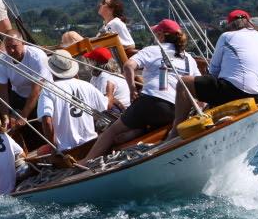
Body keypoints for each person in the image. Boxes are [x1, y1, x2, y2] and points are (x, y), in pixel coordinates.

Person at [84, 19, 199, 161]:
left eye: (156, 33)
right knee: (148, 122)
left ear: (161, 35)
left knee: (112, 131)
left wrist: (132, 88)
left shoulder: (151, 50)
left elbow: (128, 66)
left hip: (151, 101)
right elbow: (196, 85)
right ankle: (137, 133)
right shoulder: (190, 59)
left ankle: (86, 161)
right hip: (175, 110)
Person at [169, 10, 258, 136]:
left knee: (184, 82)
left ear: (230, 25)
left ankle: (175, 132)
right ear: (249, 22)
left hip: (232, 91)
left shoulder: (226, 36)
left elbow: (213, 70)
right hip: (257, 97)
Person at [37, 49, 108, 152]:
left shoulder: (48, 89)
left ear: (51, 69)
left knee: (40, 152)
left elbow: (47, 121)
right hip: (92, 144)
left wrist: (53, 146)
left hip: (68, 151)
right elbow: (105, 106)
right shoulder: (87, 85)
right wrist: (110, 94)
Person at [0, 29, 53, 128]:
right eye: (8, 47)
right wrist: (5, 116)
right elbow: (2, 92)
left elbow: (36, 90)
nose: (11, 51)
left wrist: (24, 115)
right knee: (11, 123)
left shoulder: (37, 56)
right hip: (19, 94)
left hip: (43, 95)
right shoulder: (1, 61)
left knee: (44, 124)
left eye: (14, 46)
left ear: (22, 43)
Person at [61, 0, 135, 51]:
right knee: (67, 36)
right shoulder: (106, 25)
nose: (100, 4)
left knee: (70, 35)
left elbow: (131, 45)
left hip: (100, 54)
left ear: (111, 9)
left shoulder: (116, 23)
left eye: (104, 3)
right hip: (96, 51)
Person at [83, 47, 131, 111]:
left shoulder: (105, 77)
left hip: (119, 112)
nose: (87, 62)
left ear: (95, 62)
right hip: (113, 109)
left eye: (89, 60)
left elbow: (103, 104)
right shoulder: (96, 77)